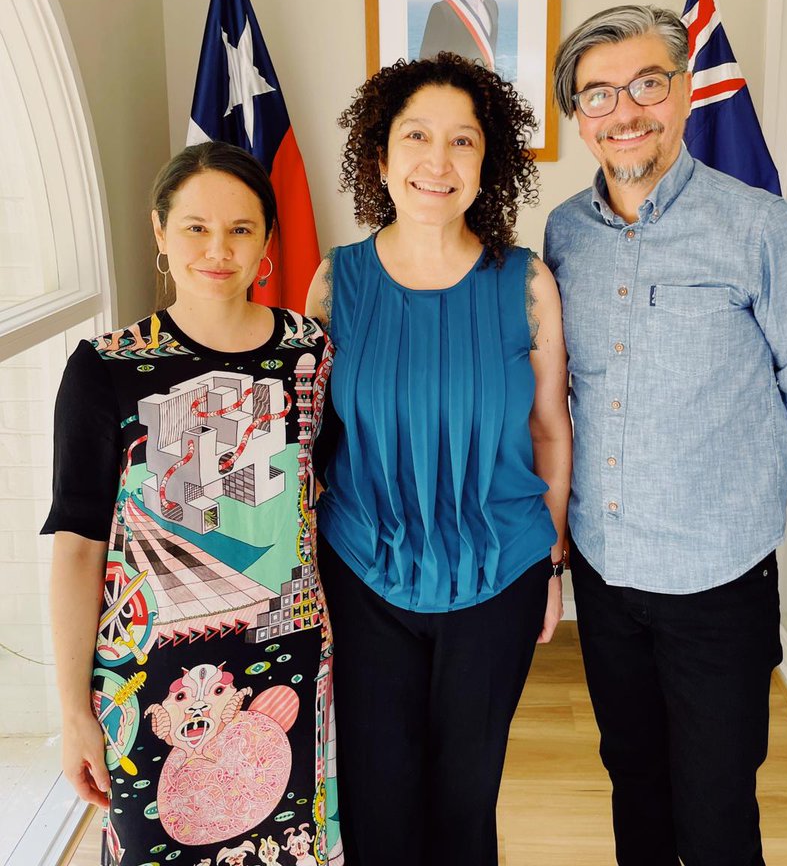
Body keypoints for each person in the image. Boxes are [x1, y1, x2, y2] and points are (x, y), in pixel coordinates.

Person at [544, 5, 787, 866]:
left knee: (716, 804)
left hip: (718, 581)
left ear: (683, 94)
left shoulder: (763, 230)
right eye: (598, 94)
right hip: (607, 576)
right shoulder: (564, 233)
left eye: (647, 83)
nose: (625, 110)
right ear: (578, 115)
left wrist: (731, 496)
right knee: (633, 777)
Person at [43, 142, 343, 866]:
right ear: (160, 233)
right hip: (150, 681)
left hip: (288, 661)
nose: (218, 249)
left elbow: (321, 501)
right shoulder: (107, 367)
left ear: (268, 239)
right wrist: (74, 713)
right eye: (196, 228)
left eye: (241, 229)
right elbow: (78, 549)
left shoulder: (309, 352)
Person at [305, 53, 571, 866]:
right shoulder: (333, 285)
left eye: (463, 140)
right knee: (379, 804)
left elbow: (551, 430)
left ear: (486, 163)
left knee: (465, 805)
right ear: (379, 158)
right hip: (363, 574)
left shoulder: (526, 282)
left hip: (499, 574)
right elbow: (306, 445)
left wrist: (551, 565)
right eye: (416, 136)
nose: (438, 160)